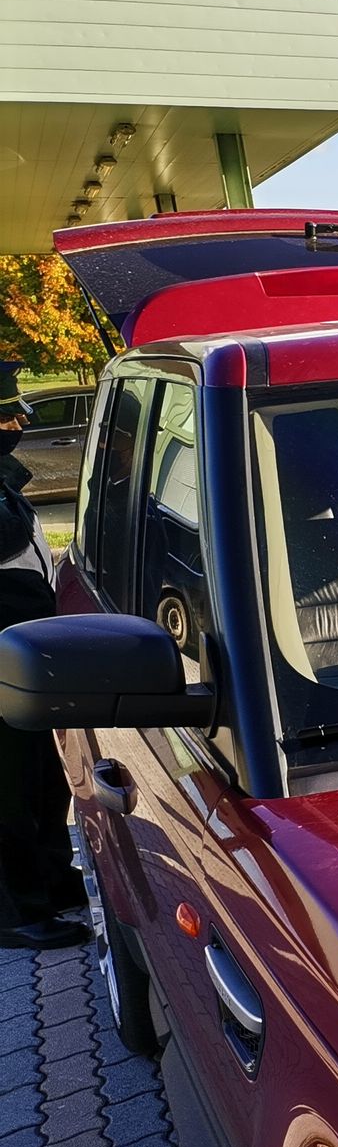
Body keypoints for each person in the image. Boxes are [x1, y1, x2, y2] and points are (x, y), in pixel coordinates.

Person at [0, 363, 89, 949]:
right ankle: (15, 912)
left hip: (26, 656)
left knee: (43, 778)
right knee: (6, 791)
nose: (17, 424)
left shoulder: (4, 480)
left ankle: (54, 880)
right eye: (7, 416)